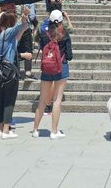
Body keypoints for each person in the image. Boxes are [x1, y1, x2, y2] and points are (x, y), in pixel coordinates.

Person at [30, 9, 73, 139]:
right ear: (61, 21)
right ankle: (54, 131)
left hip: (47, 67)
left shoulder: (43, 34)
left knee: (42, 99)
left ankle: (35, 130)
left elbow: (40, 47)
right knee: (57, 100)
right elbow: (70, 56)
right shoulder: (64, 35)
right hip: (61, 67)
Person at [0, 10, 28, 138]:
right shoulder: (7, 33)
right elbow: (19, 26)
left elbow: (21, 30)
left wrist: (24, 22)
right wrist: (24, 17)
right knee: (9, 100)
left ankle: (0, 128)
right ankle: (6, 130)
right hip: (9, 70)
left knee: (0, 99)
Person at [19, 0, 42, 80]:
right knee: (28, 49)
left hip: (18, 26)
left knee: (18, 49)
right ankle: (27, 72)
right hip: (26, 26)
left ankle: (17, 72)